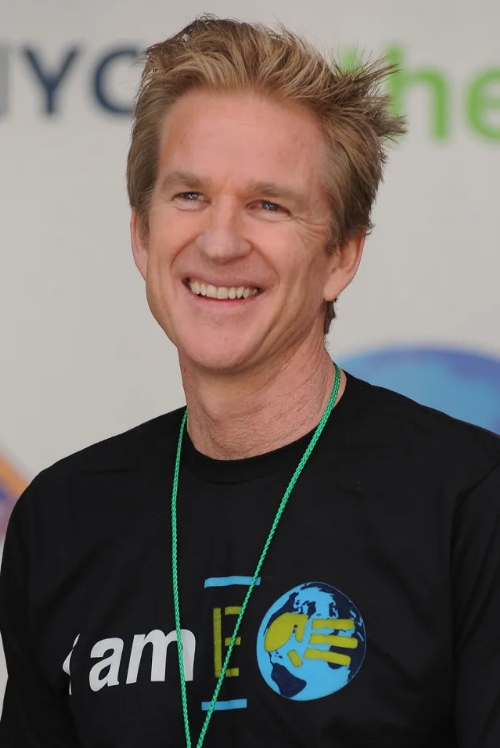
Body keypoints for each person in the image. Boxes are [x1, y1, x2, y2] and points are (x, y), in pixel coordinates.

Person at [0, 14, 499, 748]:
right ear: (141, 233)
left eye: (268, 204)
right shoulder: (60, 519)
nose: (220, 241)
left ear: (341, 257)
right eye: (189, 196)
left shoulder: (471, 501)